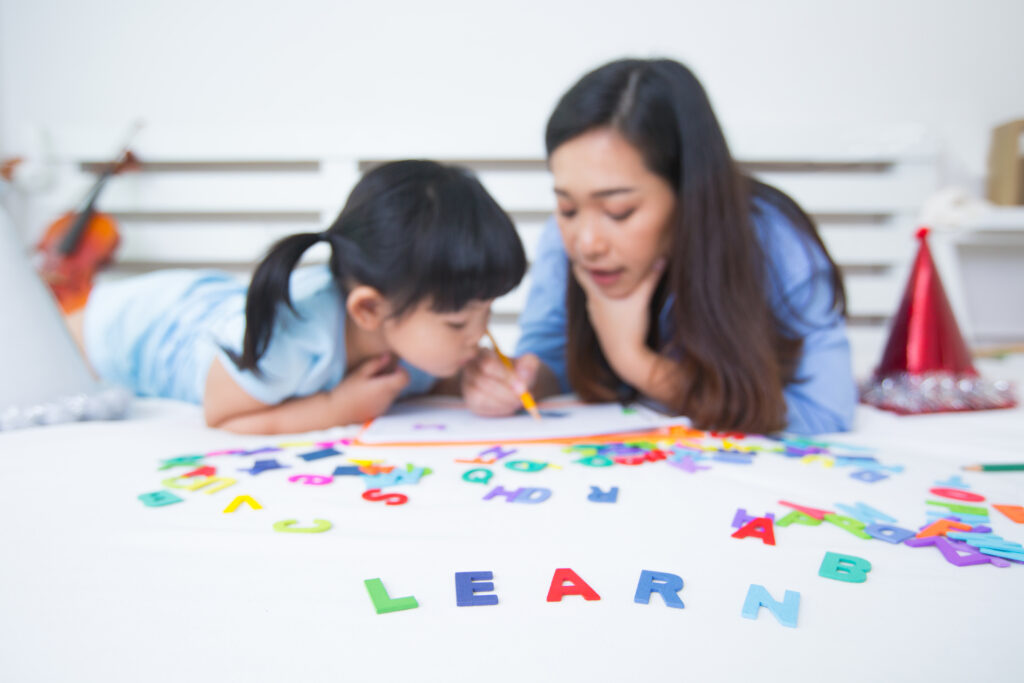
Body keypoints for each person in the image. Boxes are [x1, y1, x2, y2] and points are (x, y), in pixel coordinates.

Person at [462, 58, 855, 435]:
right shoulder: (561, 238)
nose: (586, 243)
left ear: (688, 192)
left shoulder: (773, 238)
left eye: (619, 210)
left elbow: (826, 409)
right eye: (567, 207)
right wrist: (518, 382)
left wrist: (635, 362)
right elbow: (549, 356)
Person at [67, 160, 526, 434]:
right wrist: (337, 409)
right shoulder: (288, 337)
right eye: (457, 324)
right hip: (123, 330)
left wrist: (469, 383)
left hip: (205, 302)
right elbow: (225, 418)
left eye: (486, 312)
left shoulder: (410, 330)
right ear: (368, 309)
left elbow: (430, 377)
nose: (478, 336)